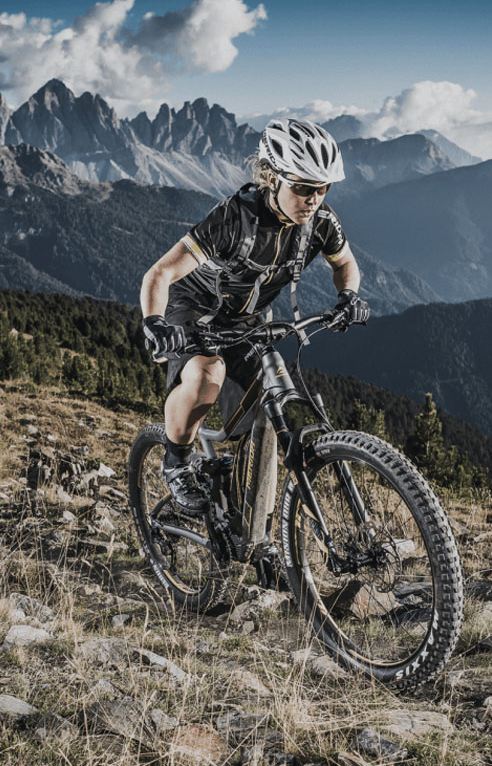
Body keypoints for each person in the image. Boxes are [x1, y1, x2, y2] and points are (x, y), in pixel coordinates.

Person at [140, 118, 370, 515]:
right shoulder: (234, 219)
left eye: (324, 187)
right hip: (193, 310)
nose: (314, 198)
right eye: (303, 187)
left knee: (270, 404)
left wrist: (348, 296)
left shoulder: (320, 222)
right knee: (208, 375)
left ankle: (243, 516)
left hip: (245, 321)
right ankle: (176, 462)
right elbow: (159, 274)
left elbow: (345, 263)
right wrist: (155, 324)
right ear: (272, 177)